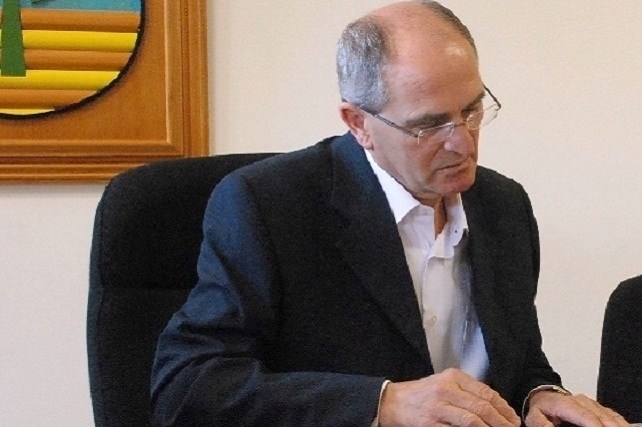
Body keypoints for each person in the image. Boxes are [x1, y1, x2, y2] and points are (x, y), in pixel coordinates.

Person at [151, 1, 628, 426]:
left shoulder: (504, 206)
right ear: (358, 123)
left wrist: (540, 395)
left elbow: (517, 362)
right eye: (430, 125)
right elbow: (187, 387)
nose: (463, 143)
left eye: (472, 110)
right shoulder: (267, 206)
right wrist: (382, 404)